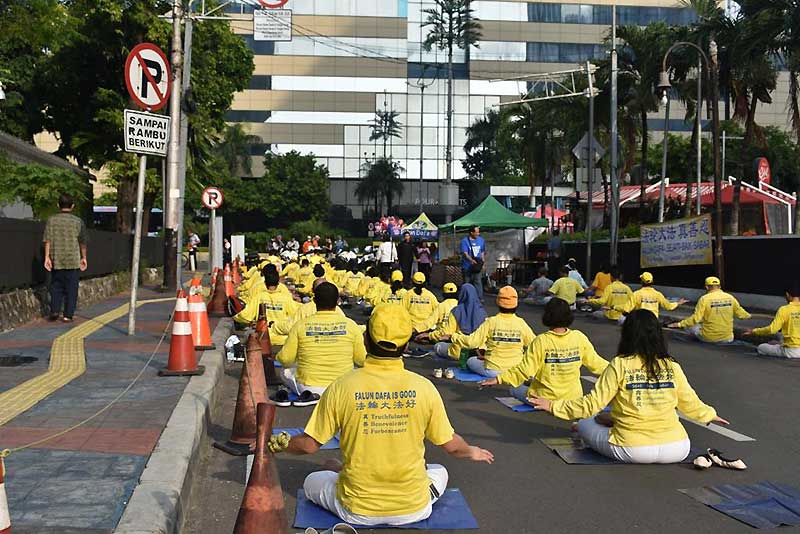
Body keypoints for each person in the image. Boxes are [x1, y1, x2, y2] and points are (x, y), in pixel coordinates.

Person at [268, 303, 494, 527]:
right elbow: (452, 446)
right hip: (414, 509)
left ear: (365, 339)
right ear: (406, 345)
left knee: (314, 479)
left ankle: (341, 473)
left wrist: (280, 444)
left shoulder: (342, 386)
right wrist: (471, 451)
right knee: (440, 470)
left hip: (356, 509)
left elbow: (309, 445)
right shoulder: (424, 388)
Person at [529, 310, 729, 464]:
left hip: (633, 448)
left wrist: (553, 406)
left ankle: (598, 424)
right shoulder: (671, 365)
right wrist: (709, 415)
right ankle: (612, 420)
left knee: (584, 422)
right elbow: (689, 401)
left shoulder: (620, 364)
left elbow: (591, 405)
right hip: (678, 448)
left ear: (627, 334)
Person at [480, 297, 607, 403]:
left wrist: (499, 379)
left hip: (544, 399)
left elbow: (524, 370)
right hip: (573, 399)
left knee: (514, 389)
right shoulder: (579, 337)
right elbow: (596, 363)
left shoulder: (541, 341)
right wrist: (616, 370)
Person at [273, 283, 367, 406]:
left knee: (285, 371)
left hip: (310, 387)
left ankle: (308, 395)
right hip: (343, 386)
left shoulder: (300, 325)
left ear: (315, 301)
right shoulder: (351, 326)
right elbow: (361, 360)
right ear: (337, 301)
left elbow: (285, 359)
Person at [447, 287, 535, 377]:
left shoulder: (491, 322)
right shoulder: (521, 323)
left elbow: (472, 342)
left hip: (493, 370)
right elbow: (534, 344)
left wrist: (453, 336)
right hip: (515, 370)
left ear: (498, 302)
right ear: (516, 304)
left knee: (471, 361)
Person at [43, 194, 88, 322]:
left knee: (55, 286)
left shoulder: (51, 220)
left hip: (56, 258)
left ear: (58, 205)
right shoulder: (78, 221)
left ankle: (55, 310)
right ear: (72, 206)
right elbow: (83, 242)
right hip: (73, 260)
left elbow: (47, 240)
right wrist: (83, 257)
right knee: (71, 289)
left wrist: (47, 257)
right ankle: (68, 315)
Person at [668, 276, 751, 344]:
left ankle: (694, 341)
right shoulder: (730, 297)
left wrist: (679, 324)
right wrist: (750, 316)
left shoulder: (704, 299)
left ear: (707, 287)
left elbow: (696, 319)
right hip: (728, 339)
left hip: (708, 338)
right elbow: (742, 314)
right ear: (720, 286)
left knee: (690, 326)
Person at [426, 283, 486, 359]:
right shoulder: (483, 312)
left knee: (438, 346)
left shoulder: (456, 310)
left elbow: (446, 332)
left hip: (459, 350)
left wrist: (430, 335)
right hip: (479, 350)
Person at [745, 282, 800, 358]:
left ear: (787, 294)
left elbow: (772, 329)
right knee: (777, 342)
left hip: (790, 351)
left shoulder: (784, 309)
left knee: (761, 347)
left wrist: (754, 331)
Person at [615, 272, 687, 321]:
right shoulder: (658, 294)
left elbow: (626, 309)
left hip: (641, 321)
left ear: (641, 282)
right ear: (652, 282)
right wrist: (678, 303)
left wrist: (614, 307)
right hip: (653, 321)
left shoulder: (636, 294)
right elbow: (669, 306)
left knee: (622, 320)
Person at [460, 225, 486, 300]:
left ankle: (479, 298)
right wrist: (471, 260)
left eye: (478, 232)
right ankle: (467, 298)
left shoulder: (481, 240)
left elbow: (482, 252)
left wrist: (483, 263)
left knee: (478, 281)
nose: (478, 234)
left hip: (477, 266)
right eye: (476, 232)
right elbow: (465, 253)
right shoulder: (464, 241)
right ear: (471, 232)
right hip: (467, 266)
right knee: (467, 283)